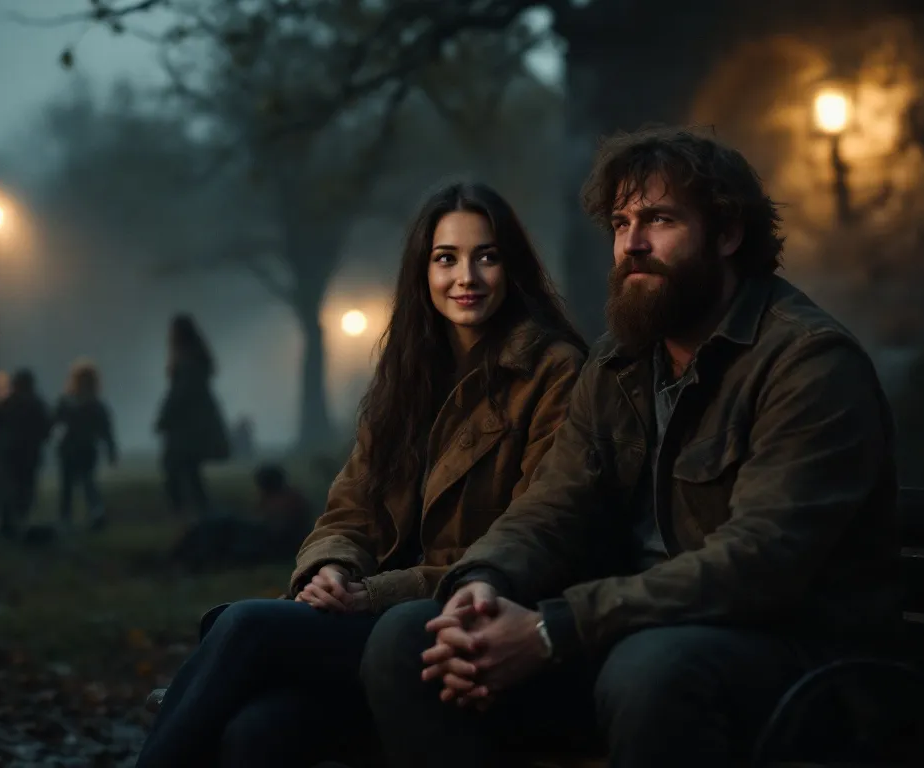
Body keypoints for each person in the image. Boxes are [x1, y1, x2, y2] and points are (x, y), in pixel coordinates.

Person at [360, 128, 902, 768]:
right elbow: (554, 505)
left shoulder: (806, 363)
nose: (632, 245)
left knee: (651, 669)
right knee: (410, 639)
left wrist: (554, 627)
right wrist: (481, 583)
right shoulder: (619, 364)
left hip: (795, 662)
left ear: (727, 235)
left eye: (659, 220)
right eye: (621, 223)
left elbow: (759, 563)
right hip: (635, 638)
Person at [135, 181, 588, 768]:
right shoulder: (404, 374)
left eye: (487, 256)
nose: (466, 277)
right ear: (422, 271)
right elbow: (348, 507)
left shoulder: (553, 372)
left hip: (449, 619)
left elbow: (531, 537)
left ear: (513, 266)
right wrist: (331, 567)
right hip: (361, 618)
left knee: (245, 624)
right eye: (445, 258)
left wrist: (369, 593)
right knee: (253, 733)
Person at [155, 314, 228, 518]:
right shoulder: (196, 358)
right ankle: (201, 510)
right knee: (189, 470)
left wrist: (165, 417)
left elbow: (180, 394)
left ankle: (184, 509)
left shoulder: (187, 361)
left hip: (185, 425)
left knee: (175, 466)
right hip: (193, 422)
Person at [54, 359, 118, 531]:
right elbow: (106, 431)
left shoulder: (68, 402)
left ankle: (69, 518)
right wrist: (111, 450)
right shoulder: (96, 405)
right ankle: (94, 514)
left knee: (74, 486)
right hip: (84, 449)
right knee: (85, 484)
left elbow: (53, 422)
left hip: (72, 449)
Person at [0, 369, 52, 538]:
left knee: (9, 489)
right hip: (29, 455)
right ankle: (20, 521)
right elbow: (46, 429)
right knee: (25, 490)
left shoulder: (6, 404)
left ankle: (8, 523)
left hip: (9, 454)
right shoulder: (37, 404)